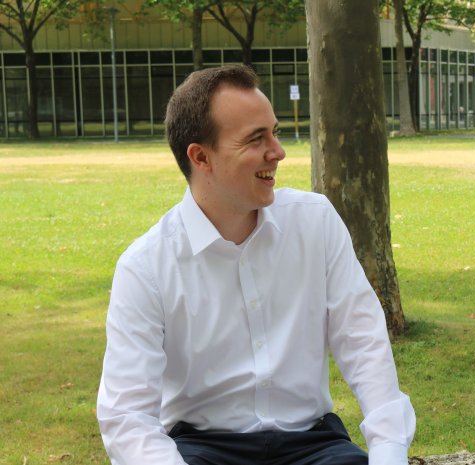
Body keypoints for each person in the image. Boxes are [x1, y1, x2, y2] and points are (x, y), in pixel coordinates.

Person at [97, 64, 416, 465]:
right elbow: (126, 416)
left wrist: (388, 452)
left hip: (313, 445)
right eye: (255, 139)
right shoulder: (145, 267)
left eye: (275, 132)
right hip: (202, 449)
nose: (278, 152)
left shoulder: (314, 221)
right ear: (201, 156)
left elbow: (363, 341)